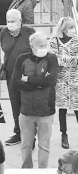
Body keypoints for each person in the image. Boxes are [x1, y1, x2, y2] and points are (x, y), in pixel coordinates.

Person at [12, 32, 59, 169]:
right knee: (26, 145)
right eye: (40, 45)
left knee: (44, 146)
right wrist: (39, 84)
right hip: (26, 111)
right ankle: (26, 170)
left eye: (45, 44)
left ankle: (42, 171)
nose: (44, 47)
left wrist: (27, 79)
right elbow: (15, 82)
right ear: (31, 45)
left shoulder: (52, 58)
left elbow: (51, 81)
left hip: (46, 111)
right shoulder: (22, 59)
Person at [0, 9, 36, 146]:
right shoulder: (4, 33)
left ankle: (30, 136)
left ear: (20, 20)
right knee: (15, 105)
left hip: (26, 77)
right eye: (8, 21)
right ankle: (18, 132)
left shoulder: (29, 32)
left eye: (13, 21)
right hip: (11, 76)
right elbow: (5, 50)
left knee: (27, 107)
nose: (10, 24)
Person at [50, 17, 78, 149]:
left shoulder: (76, 41)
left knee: (77, 107)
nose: (73, 30)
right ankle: (64, 134)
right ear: (63, 29)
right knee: (62, 109)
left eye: (74, 27)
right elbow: (54, 59)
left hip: (75, 80)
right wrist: (71, 60)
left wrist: (63, 59)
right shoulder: (54, 40)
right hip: (60, 80)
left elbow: (62, 59)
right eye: (70, 27)